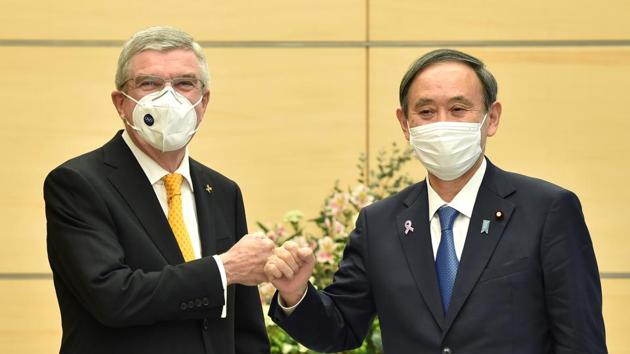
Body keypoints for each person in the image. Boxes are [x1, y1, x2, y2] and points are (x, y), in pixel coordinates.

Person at [265, 49, 607, 353]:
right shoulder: (379, 224)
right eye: (426, 112)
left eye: (459, 109)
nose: (442, 124)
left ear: (492, 118)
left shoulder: (547, 211)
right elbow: (341, 331)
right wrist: (297, 294)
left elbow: (580, 339)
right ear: (405, 123)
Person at [44, 26, 272, 354]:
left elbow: (244, 328)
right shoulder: (78, 184)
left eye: (184, 83)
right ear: (121, 103)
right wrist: (223, 269)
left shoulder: (223, 191)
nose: (169, 98)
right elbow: (112, 296)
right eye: (149, 83)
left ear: (203, 101)